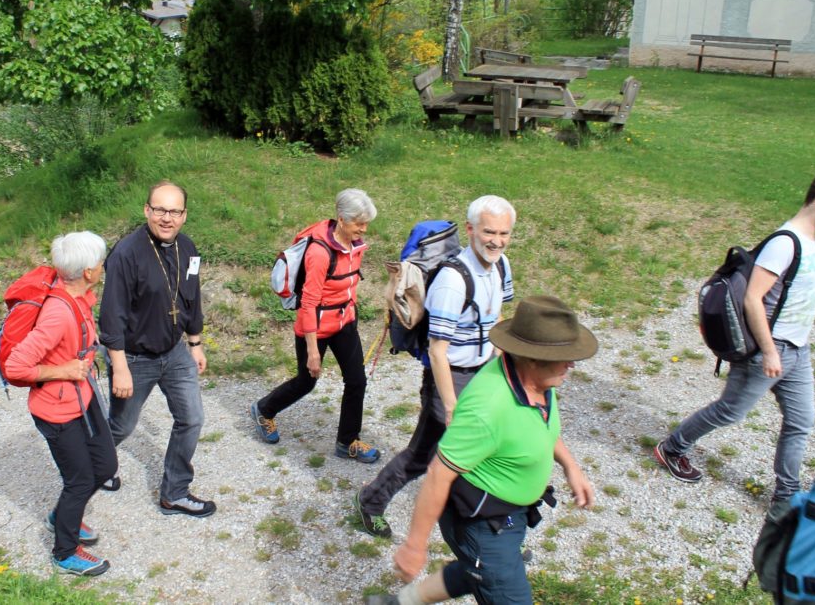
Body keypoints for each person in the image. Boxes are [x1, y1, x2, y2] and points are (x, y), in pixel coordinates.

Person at [376, 296, 596, 605]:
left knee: (482, 569)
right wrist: (415, 545)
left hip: (509, 517)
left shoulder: (540, 382)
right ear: (533, 357)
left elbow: (542, 426)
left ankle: (401, 602)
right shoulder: (489, 407)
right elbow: (439, 473)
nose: (572, 363)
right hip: (483, 523)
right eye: (565, 356)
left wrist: (571, 466)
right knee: (493, 572)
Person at [356, 195, 515, 538]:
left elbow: (497, 318)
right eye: (489, 232)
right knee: (424, 454)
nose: (497, 241)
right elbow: (438, 349)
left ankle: (498, 527)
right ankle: (371, 501)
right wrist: (452, 405)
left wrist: (504, 370)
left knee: (489, 450)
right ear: (471, 230)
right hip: (451, 379)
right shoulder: (452, 281)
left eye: (504, 234)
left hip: (485, 371)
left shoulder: (502, 265)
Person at [654, 175, 815, 503]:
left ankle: (785, 496)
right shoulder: (784, 243)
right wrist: (770, 352)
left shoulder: (812, 242)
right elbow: (752, 299)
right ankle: (672, 448)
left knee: (801, 422)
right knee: (730, 411)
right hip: (770, 348)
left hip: (797, 350)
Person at [4, 231, 117, 577]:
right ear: (87, 271)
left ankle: (62, 516)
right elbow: (15, 367)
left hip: (82, 398)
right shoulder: (58, 314)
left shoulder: (77, 296)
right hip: (56, 411)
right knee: (80, 480)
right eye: (99, 262)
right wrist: (62, 370)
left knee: (106, 465)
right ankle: (65, 552)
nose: (102, 267)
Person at [99, 181, 214, 517]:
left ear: (184, 215)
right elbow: (111, 316)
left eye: (174, 211)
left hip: (174, 351)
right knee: (122, 426)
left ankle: (175, 492)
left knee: (192, 419)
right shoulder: (125, 254)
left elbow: (192, 298)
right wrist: (119, 366)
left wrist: (195, 343)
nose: (167, 218)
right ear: (147, 210)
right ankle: (93, 465)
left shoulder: (188, 249)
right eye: (160, 210)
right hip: (134, 356)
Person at [250, 188, 380, 463]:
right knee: (307, 382)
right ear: (342, 219)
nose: (364, 228)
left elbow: (349, 285)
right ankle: (264, 409)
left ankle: (348, 441)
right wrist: (312, 351)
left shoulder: (355, 245)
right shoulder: (320, 253)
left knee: (357, 381)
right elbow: (308, 304)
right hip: (315, 328)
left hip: (344, 322)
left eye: (366, 222)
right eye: (359, 223)